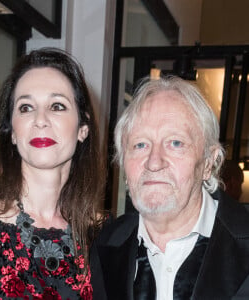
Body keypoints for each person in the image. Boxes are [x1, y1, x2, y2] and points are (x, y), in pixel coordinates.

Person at [0, 47, 104, 299]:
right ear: (12, 131)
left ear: (82, 128)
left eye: (57, 106)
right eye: (26, 108)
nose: (40, 119)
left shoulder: (102, 237)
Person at [91, 76, 249, 299]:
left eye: (175, 143)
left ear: (208, 162)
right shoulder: (100, 246)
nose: (154, 162)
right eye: (140, 145)